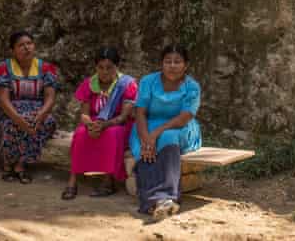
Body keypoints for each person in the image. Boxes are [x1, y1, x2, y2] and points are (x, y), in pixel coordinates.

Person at [129, 45, 202, 220]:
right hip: (148, 125)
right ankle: (160, 202)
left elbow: (184, 117)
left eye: (177, 62)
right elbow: (140, 112)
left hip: (180, 128)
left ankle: (163, 197)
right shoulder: (149, 81)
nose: (172, 65)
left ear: (186, 65)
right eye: (168, 61)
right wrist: (146, 138)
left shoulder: (192, 86)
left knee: (167, 136)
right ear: (161, 63)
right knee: (143, 146)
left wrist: (154, 135)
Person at [62, 47, 138, 200]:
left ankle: (108, 181)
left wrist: (104, 125)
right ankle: (73, 180)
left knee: (111, 134)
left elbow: (123, 117)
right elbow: (84, 114)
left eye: (109, 68)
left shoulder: (127, 84)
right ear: (95, 67)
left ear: (117, 67)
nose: (104, 71)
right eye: (100, 67)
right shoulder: (90, 84)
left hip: (119, 125)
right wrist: (90, 125)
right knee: (80, 134)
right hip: (96, 123)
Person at [0, 31, 58, 183]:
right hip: (10, 110)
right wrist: (18, 119)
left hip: (37, 111)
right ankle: (8, 163)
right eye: (21, 45)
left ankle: (21, 165)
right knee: (11, 125)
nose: (26, 48)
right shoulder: (3, 68)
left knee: (46, 123)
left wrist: (41, 115)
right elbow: (3, 99)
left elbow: (50, 97)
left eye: (29, 43)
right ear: (12, 50)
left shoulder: (46, 68)